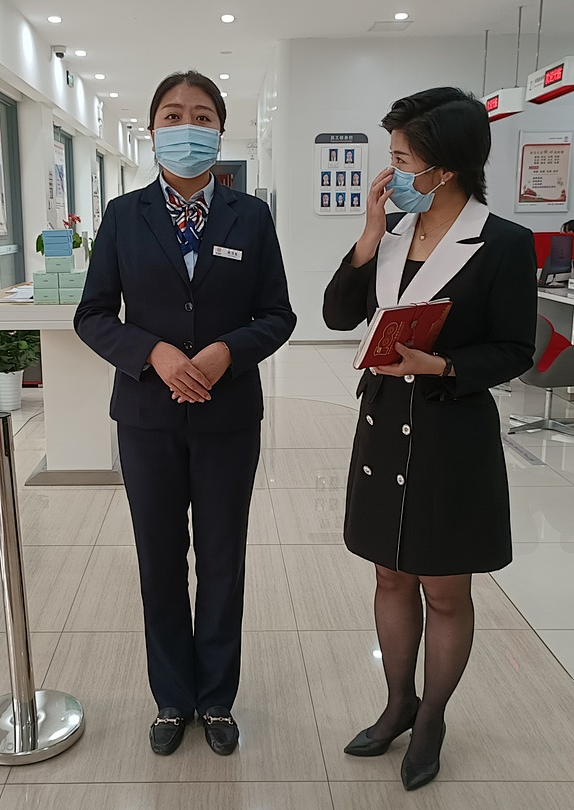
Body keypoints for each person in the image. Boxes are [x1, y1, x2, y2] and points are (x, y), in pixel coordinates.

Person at [74, 70, 296, 758]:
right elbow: (92, 315)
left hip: (229, 418)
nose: (187, 126)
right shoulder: (122, 215)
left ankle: (216, 699)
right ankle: (172, 697)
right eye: (172, 115)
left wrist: (229, 350)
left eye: (202, 116)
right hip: (147, 417)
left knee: (223, 560)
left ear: (220, 131)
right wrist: (153, 353)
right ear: (152, 130)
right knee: (160, 559)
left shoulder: (251, 217)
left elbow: (278, 314)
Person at [323, 87, 537, 791]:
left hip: (451, 433)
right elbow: (336, 314)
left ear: (445, 169)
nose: (393, 172)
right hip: (385, 422)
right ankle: (398, 703)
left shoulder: (503, 243)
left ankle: (433, 718)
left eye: (403, 159)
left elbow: (516, 348)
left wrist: (440, 365)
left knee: (445, 589)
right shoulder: (389, 234)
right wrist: (367, 233)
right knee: (389, 574)